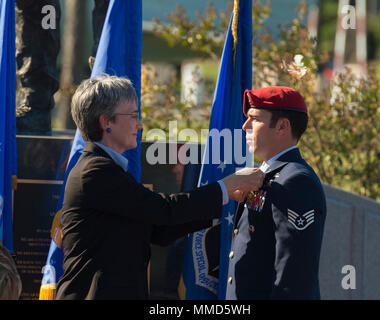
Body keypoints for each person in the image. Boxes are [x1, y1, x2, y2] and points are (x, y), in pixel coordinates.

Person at [55, 75, 264, 300]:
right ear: (106, 122)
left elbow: (157, 230)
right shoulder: (95, 171)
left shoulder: (106, 169)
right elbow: (163, 210)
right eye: (133, 116)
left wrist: (225, 202)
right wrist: (225, 186)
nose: (140, 124)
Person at [226, 86, 327, 300]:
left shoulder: (296, 181)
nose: (245, 126)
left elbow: (294, 276)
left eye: (255, 119)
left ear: (282, 126)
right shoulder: (268, 174)